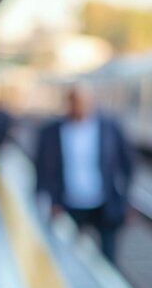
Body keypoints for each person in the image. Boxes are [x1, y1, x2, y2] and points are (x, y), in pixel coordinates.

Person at [35, 81, 134, 263]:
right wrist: (51, 200)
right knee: (66, 256)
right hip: (68, 204)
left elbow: (128, 164)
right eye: (75, 101)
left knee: (108, 258)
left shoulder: (110, 127)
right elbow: (42, 167)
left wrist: (125, 199)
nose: (79, 106)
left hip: (104, 204)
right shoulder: (52, 131)